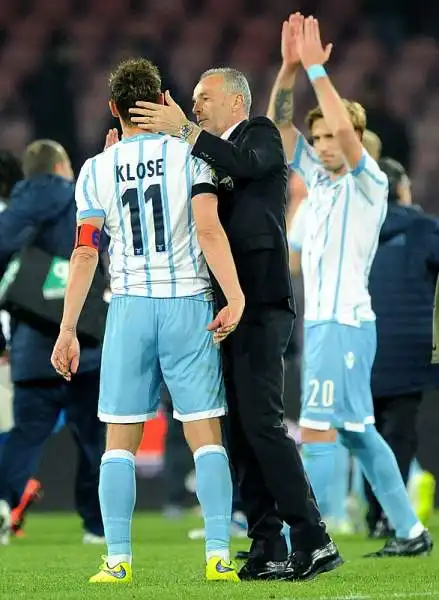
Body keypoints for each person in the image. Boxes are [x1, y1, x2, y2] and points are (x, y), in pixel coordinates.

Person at [129, 68, 341, 581]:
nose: (195, 105)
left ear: (235, 101)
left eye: (204, 97)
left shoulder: (259, 134)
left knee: (264, 424)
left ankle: (313, 538)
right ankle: (265, 543)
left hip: (262, 301)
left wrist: (184, 131)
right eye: (193, 100)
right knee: (240, 430)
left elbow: (245, 166)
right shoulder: (202, 153)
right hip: (221, 305)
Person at [51, 58, 244, 585]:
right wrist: (235, 295)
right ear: (163, 101)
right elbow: (209, 230)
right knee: (206, 435)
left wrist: (67, 329)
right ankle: (218, 556)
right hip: (188, 305)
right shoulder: (191, 153)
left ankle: (117, 560)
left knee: (120, 442)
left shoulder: (94, 170)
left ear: (113, 109)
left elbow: (86, 253)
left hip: (129, 309)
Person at [271, 12, 432, 557]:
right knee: (361, 433)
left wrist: (319, 71)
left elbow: (342, 127)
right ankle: (411, 531)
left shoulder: (370, 181)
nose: (323, 144)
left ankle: (310, 541)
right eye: (316, 139)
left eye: (331, 136)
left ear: (357, 138)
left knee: (316, 430)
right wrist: (290, 68)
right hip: (328, 325)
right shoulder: (316, 182)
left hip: (343, 323)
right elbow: (278, 127)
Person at [0, 140, 105, 546]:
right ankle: (96, 526)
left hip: (31, 346)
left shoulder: (14, 213)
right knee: (94, 437)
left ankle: (4, 506)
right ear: (63, 166)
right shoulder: (86, 196)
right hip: (86, 340)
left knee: (25, 435)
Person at [365, 157, 439, 536]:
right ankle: (389, 515)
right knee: (400, 433)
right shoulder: (425, 228)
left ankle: (374, 513)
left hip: (362, 341)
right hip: (411, 347)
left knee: (366, 431)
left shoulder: (357, 226)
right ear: (403, 189)